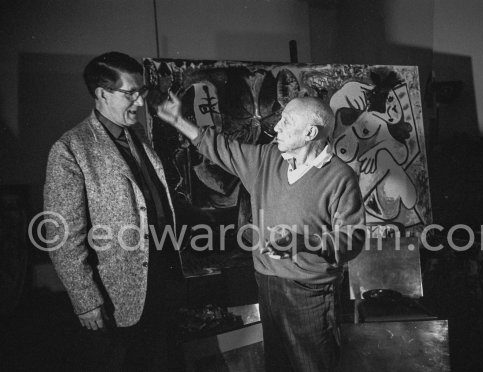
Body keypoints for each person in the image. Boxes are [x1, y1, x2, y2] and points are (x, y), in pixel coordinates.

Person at [157, 93, 365, 372]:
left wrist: (306, 242)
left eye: (286, 122)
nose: (276, 127)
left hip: (310, 292)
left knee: (313, 365)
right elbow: (220, 147)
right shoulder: (267, 159)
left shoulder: (340, 177)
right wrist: (177, 120)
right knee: (277, 365)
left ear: (310, 133)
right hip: (267, 284)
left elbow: (352, 239)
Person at [44, 51, 181, 370]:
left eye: (141, 92)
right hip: (117, 299)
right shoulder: (70, 150)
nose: (139, 100)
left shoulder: (138, 139)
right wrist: (86, 301)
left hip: (162, 285)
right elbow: (62, 239)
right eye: (130, 92)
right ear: (102, 93)